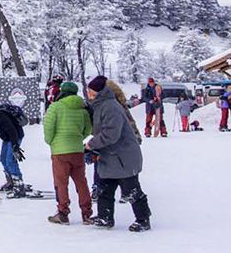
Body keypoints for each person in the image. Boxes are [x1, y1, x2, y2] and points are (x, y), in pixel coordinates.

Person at [85, 75, 152, 232]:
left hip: (123, 157)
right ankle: (105, 216)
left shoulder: (110, 107)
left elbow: (111, 134)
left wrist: (91, 144)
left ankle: (143, 219)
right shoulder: (100, 105)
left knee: (132, 190)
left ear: (98, 92)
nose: (88, 93)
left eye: (90, 91)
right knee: (104, 189)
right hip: (110, 156)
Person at [43, 81, 93, 225]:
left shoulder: (55, 107)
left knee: (61, 182)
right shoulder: (82, 108)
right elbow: (88, 130)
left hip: (60, 151)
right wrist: (77, 139)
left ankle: (63, 213)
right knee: (81, 182)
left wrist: (52, 142)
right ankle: (87, 213)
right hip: (77, 150)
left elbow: (48, 129)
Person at [0, 101, 28, 194]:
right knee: (3, 159)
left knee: (10, 160)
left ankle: (19, 185)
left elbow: (12, 129)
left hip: (15, 136)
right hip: (7, 138)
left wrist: (15, 146)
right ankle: (11, 182)